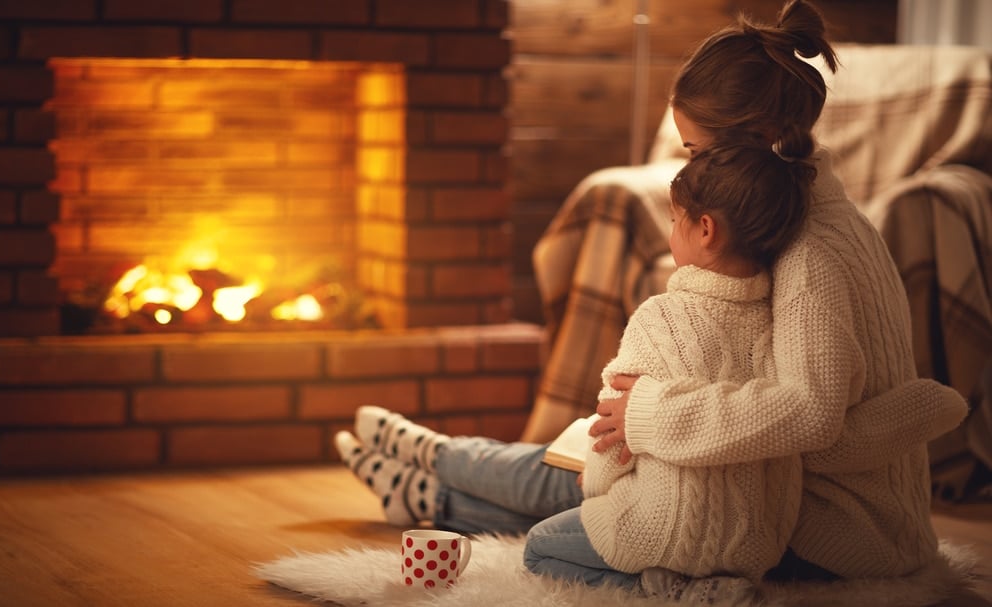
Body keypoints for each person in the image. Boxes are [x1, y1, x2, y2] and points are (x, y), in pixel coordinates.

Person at [333, 0, 968, 597]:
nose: (693, 171)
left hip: (841, 529)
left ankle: (437, 473)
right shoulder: (821, 217)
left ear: (761, 135)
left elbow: (811, 412)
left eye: (697, 150)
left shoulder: (811, 251)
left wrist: (654, 419)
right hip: (794, 486)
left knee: (592, 486)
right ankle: (433, 474)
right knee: (594, 467)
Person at [520, 138, 814, 596]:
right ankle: (712, 585)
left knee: (539, 547)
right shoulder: (782, 323)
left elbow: (610, 436)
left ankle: (669, 587)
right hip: (759, 544)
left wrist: (596, 485)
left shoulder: (661, 318)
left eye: (674, 221)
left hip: (666, 530)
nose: (670, 233)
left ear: (705, 230)